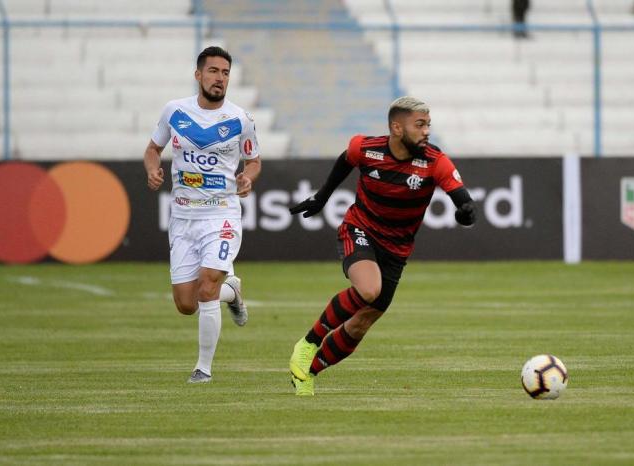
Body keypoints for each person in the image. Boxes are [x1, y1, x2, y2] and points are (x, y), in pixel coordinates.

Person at [287, 96, 477, 396]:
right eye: (420, 124)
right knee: (368, 290)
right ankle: (308, 343)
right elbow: (344, 162)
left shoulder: (435, 161)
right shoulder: (365, 148)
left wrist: (465, 212)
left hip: (397, 250)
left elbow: (463, 200)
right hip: (359, 229)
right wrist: (322, 196)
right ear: (397, 127)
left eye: (428, 124)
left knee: (361, 324)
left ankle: (307, 373)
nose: (427, 131)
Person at [144, 46, 261, 383]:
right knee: (186, 303)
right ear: (199, 75)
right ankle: (233, 292)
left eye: (225, 73)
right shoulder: (174, 112)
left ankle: (203, 369)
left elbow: (253, 160)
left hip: (221, 214)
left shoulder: (240, 120)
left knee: (208, 285)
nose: (219, 78)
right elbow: (153, 149)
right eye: (213, 71)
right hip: (182, 218)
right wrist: (153, 170)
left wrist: (247, 178)